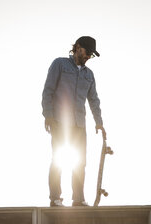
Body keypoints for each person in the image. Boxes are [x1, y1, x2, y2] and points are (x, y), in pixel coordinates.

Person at [42, 36, 106, 207]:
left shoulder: (89, 75)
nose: (88, 57)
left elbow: (94, 100)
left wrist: (98, 122)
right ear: (77, 48)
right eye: (87, 52)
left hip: (79, 125)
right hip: (59, 122)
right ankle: (55, 198)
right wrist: (48, 115)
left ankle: (78, 199)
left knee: (80, 162)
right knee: (58, 159)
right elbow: (48, 91)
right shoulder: (60, 65)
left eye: (91, 55)